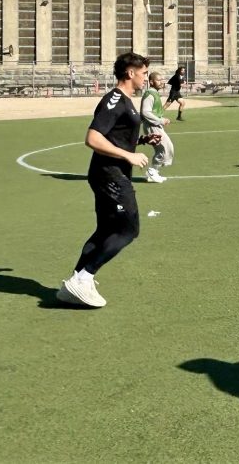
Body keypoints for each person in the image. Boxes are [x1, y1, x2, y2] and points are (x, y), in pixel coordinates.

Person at [56, 52, 157, 308]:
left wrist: (141, 141)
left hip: (111, 173)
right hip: (110, 175)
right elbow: (93, 138)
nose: (146, 78)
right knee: (128, 230)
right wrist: (128, 155)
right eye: (143, 73)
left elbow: (116, 136)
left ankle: (76, 281)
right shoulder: (114, 99)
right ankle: (85, 277)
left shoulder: (125, 102)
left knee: (106, 230)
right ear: (130, 73)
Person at [140, 71, 175, 183]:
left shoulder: (154, 93)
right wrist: (160, 120)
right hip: (151, 126)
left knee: (166, 147)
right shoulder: (150, 94)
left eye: (162, 80)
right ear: (151, 81)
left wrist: (161, 120)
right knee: (164, 148)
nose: (161, 82)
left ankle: (154, 172)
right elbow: (145, 112)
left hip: (155, 125)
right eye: (158, 80)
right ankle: (152, 171)